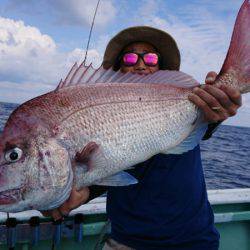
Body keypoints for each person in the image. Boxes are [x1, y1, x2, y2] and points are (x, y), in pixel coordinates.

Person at [42, 26, 242, 250]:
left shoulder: (190, 107)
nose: (140, 63)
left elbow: (208, 120)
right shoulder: (101, 117)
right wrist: (72, 193)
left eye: (150, 57)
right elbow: (109, 168)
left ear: (162, 67)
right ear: (118, 70)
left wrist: (218, 104)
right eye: (129, 58)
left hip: (193, 241)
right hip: (123, 241)